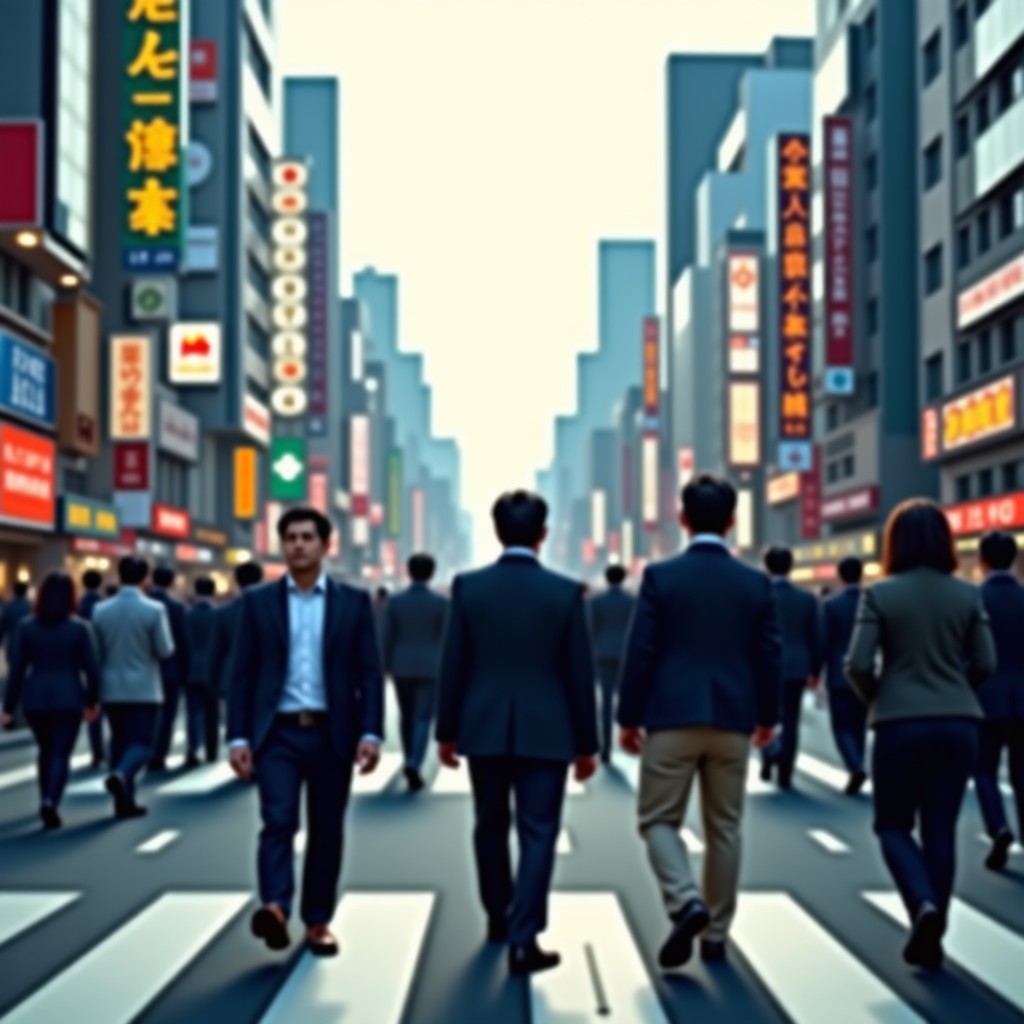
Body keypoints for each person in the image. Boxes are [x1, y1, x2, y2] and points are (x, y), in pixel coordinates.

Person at [617, 474, 781, 968]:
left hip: (671, 716)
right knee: (725, 827)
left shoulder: (661, 577)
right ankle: (716, 934)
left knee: (658, 820)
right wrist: (768, 717)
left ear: (682, 518)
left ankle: (684, 899)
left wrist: (628, 717)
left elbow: (641, 652)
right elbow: (769, 654)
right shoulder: (755, 583)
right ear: (733, 522)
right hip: (733, 718)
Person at [437, 489, 599, 976]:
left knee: (489, 824)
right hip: (547, 729)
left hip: (483, 725)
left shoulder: (468, 587)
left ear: (496, 531)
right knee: (539, 833)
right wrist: (587, 744)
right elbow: (578, 673)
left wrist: (447, 731)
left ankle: (497, 916)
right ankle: (525, 938)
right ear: (543, 534)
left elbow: (454, 665)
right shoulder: (566, 592)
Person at [845, 499, 996, 971]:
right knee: (940, 830)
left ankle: (921, 906)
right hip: (958, 723)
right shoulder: (967, 595)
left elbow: (856, 664)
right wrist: (955, 692)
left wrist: (879, 697)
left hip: (898, 722)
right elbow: (987, 662)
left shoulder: (880, 594)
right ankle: (934, 935)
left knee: (892, 825)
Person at [228, 508, 384, 958]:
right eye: (290, 537)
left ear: (325, 545)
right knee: (277, 821)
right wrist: (238, 737)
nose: (298, 544)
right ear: (282, 546)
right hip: (276, 734)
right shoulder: (258, 602)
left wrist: (370, 731)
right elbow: (242, 674)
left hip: (332, 732)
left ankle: (318, 921)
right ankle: (275, 907)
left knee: (327, 829)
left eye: (307, 537)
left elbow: (368, 673)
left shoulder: (352, 602)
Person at [1, 573, 100, 829]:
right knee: (60, 752)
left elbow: (17, 670)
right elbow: (92, 670)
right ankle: (50, 801)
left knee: (45, 751)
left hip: (35, 697)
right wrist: (92, 702)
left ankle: (46, 796)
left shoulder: (26, 626)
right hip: (69, 697)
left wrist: (8, 707)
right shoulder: (80, 628)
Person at [91, 557, 175, 818]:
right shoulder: (154, 609)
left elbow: (96, 651)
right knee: (142, 744)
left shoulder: (100, 610)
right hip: (144, 688)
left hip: (111, 687)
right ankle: (122, 774)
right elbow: (165, 649)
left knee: (118, 741)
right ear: (145, 578)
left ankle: (124, 802)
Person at [974, 530, 1024, 871]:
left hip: (984, 698)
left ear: (981, 561)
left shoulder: (973, 600)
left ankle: (998, 828)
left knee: (983, 770)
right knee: (1023, 775)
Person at [383, 552, 449, 791]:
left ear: (408, 572)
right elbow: (448, 639)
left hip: (401, 665)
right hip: (431, 666)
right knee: (423, 716)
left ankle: (409, 755)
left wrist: (386, 665)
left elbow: (387, 636)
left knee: (406, 715)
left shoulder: (396, 601)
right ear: (431, 573)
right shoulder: (441, 603)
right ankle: (414, 761)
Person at [760, 546, 821, 790]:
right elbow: (816, 636)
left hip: (765, 667)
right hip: (797, 665)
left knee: (766, 717)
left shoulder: (760, 595)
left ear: (767, 567)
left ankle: (768, 756)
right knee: (791, 721)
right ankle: (786, 773)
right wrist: (815, 670)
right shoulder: (805, 599)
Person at [821, 557, 869, 794]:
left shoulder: (831, 605)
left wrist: (817, 672)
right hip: (866, 672)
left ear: (839, 576)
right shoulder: (870, 601)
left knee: (841, 727)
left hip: (838, 673)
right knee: (859, 724)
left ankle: (855, 766)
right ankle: (857, 763)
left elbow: (823, 641)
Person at [587, 564, 636, 763]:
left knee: (605, 704)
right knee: (628, 701)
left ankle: (605, 747)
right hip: (627, 654)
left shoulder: (596, 601)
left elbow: (590, 629)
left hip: (603, 654)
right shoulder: (633, 601)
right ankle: (629, 737)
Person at [147, 566, 189, 771]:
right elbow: (183, 642)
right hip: (170, 669)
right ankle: (159, 755)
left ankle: (143, 751)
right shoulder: (176, 607)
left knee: (144, 716)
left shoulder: (144, 602)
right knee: (167, 717)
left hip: (144, 669)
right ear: (172, 581)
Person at [210, 561, 264, 709]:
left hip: (231, 680)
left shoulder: (223, 613)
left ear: (237, 581)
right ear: (260, 580)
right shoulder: (271, 612)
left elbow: (216, 652)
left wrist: (213, 684)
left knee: (234, 726)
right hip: (264, 681)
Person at [184, 577, 219, 766]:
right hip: (213, 670)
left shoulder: (187, 614)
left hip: (191, 669)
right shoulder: (218, 614)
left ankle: (192, 748)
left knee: (193, 712)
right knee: (212, 713)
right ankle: (211, 750)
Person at [78, 569, 107, 767]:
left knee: (90, 707)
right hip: (102, 661)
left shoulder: (77, 604)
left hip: (79, 661)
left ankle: (96, 750)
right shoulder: (104, 606)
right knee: (101, 707)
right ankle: (102, 751)